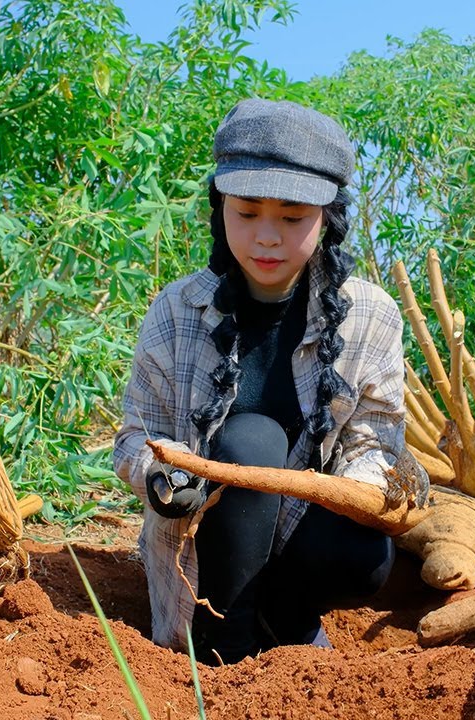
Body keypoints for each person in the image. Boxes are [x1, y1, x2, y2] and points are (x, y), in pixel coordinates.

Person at [113, 98, 424, 664]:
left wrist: (366, 486)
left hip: (298, 550)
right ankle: (221, 643)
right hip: (202, 563)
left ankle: (286, 624)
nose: (266, 238)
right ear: (220, 208)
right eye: (247, 212)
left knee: (365, 551)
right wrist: (163, 477)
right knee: (249, 440)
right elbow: (135, 437)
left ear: (327, 219)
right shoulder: (178, 310)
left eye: (291, 217)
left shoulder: (371, 315)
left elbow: (372, 440)